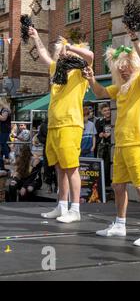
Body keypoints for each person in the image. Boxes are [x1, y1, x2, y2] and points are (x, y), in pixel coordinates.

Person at [84, 28, 140, 247]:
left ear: (133, 66)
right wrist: (91, 79)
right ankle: (120, 224)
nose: (124, 71)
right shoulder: (121, 87)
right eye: (121, 68)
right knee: (118, 186)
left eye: (127, 67)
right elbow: (100, 94)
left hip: (138, 143)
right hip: (122, 144)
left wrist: (135, 40)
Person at [29, 27, 94, 223]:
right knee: (59, 167)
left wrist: (70, 46)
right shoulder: (57, 71)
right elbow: (44, 56)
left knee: (71, 167)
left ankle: (75, 209)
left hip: (70, 125)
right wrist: (36, 38)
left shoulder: (80, 72)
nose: (60, 56)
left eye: (63, 54)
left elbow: (90, 55)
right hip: (54, 126)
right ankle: (61, 206)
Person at [37, 117, 58, 193]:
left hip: (57, 149)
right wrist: (47, 141)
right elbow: (39, 136)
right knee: (47, 168)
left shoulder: (58, 122)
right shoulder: (44, 125)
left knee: (57, 168)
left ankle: (57, 186)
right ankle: (49, 186)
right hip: (47, 149)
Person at [95, 103, 112, 186]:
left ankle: (109, 183)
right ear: (101, 112)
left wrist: (111, 135)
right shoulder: (99, 121)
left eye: (108, 110)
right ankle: (103, 184)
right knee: (103, 165)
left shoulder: (114, 119)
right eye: (105, 110)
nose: (107, 112)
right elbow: (96, 134)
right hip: (102, 146)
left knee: (110, 166)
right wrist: (100, 134)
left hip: (112, 146)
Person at [0, 99, 11, 165]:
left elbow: (3, 118)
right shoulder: (2, 110)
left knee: (3, 143)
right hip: (2, 129)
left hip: (5, 129)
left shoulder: (5, 110)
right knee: (2, 144)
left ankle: (7, 157)